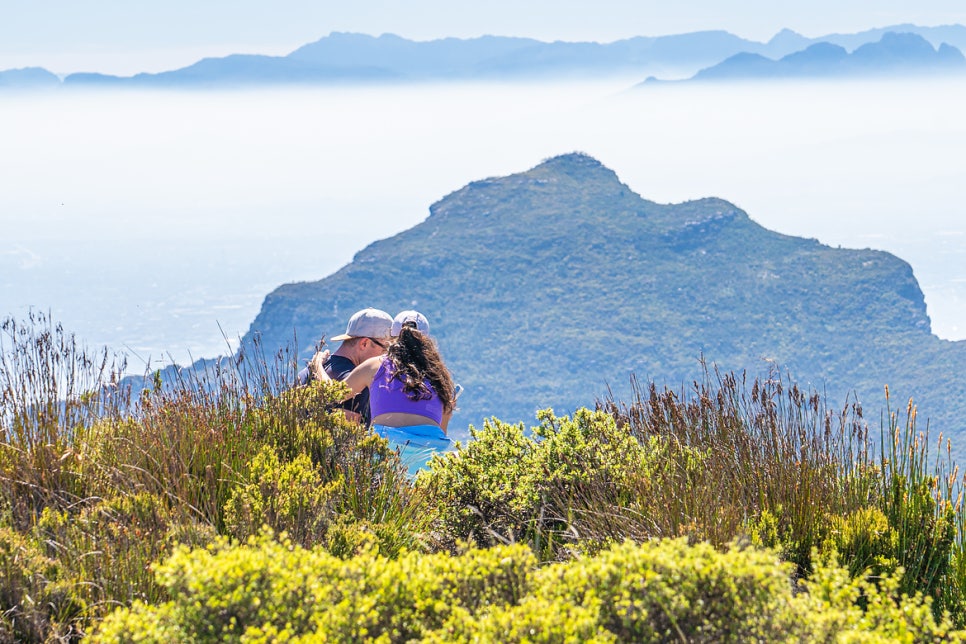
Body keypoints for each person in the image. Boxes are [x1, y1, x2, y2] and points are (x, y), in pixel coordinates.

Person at [332, 310, 457, 474]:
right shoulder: (440, 378)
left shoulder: (375, 365)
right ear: (426, 340)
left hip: (385, 453)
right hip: (429, 459)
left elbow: (335, 394)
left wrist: (318, 365)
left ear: (392, 337)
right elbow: (442, 430)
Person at [296, 307, 392, 426]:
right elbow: (351, 438)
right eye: (386, 348)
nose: (388, 355)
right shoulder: (360, 382)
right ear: (364, 343)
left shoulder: (305, 373)